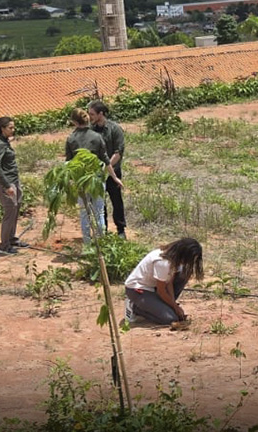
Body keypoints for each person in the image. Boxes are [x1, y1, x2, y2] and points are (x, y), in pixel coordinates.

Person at [66, 108, 123, 244]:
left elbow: (68, 162)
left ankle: (87, 243)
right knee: (99, 212)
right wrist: (114, 177)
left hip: (81, 180)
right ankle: (101, 241)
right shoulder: (96, 137)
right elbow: (106, 160)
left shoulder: (71, 139)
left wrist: (69, 181)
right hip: (97, 179)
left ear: (74, 122)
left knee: (84, 213)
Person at [124, 238, 204, 325]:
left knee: (183, 275)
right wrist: (175, 307)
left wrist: (173, 304)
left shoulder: (174, 259)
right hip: (138, 290)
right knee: (170, 319)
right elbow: (161, 291)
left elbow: (168, 283)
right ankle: (135, 308)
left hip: (153, 287)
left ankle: (159, 306)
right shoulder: (163, 262)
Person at [0, 116, 28, 255]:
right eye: (10, 128)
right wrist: (7, 185)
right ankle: (4, 245)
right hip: (6, 183)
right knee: (10, 212)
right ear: (2, 129)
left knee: (15, 210)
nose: (13, 130)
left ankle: (11, 239)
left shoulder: (4, 142)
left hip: (13, 181)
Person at [88, 100, 128, 238]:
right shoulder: (90, 130)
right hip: (96, 173)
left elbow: (118, 152)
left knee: (116, 200)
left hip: (113, 172)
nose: (90, 117)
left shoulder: (114, 129)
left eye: (92, 114)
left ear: (101, 114)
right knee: (99, 203)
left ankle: (121, 229)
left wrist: (106, 168)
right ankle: (102, 230)